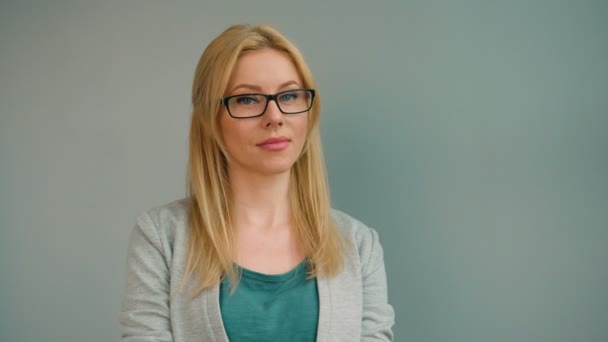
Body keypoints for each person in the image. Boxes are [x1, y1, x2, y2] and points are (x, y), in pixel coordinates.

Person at [119, 23, 394, 341]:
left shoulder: (359, 246)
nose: (275, 116)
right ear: (211, 118)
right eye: (248, 99)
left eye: (289, 95)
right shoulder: (161, 238)